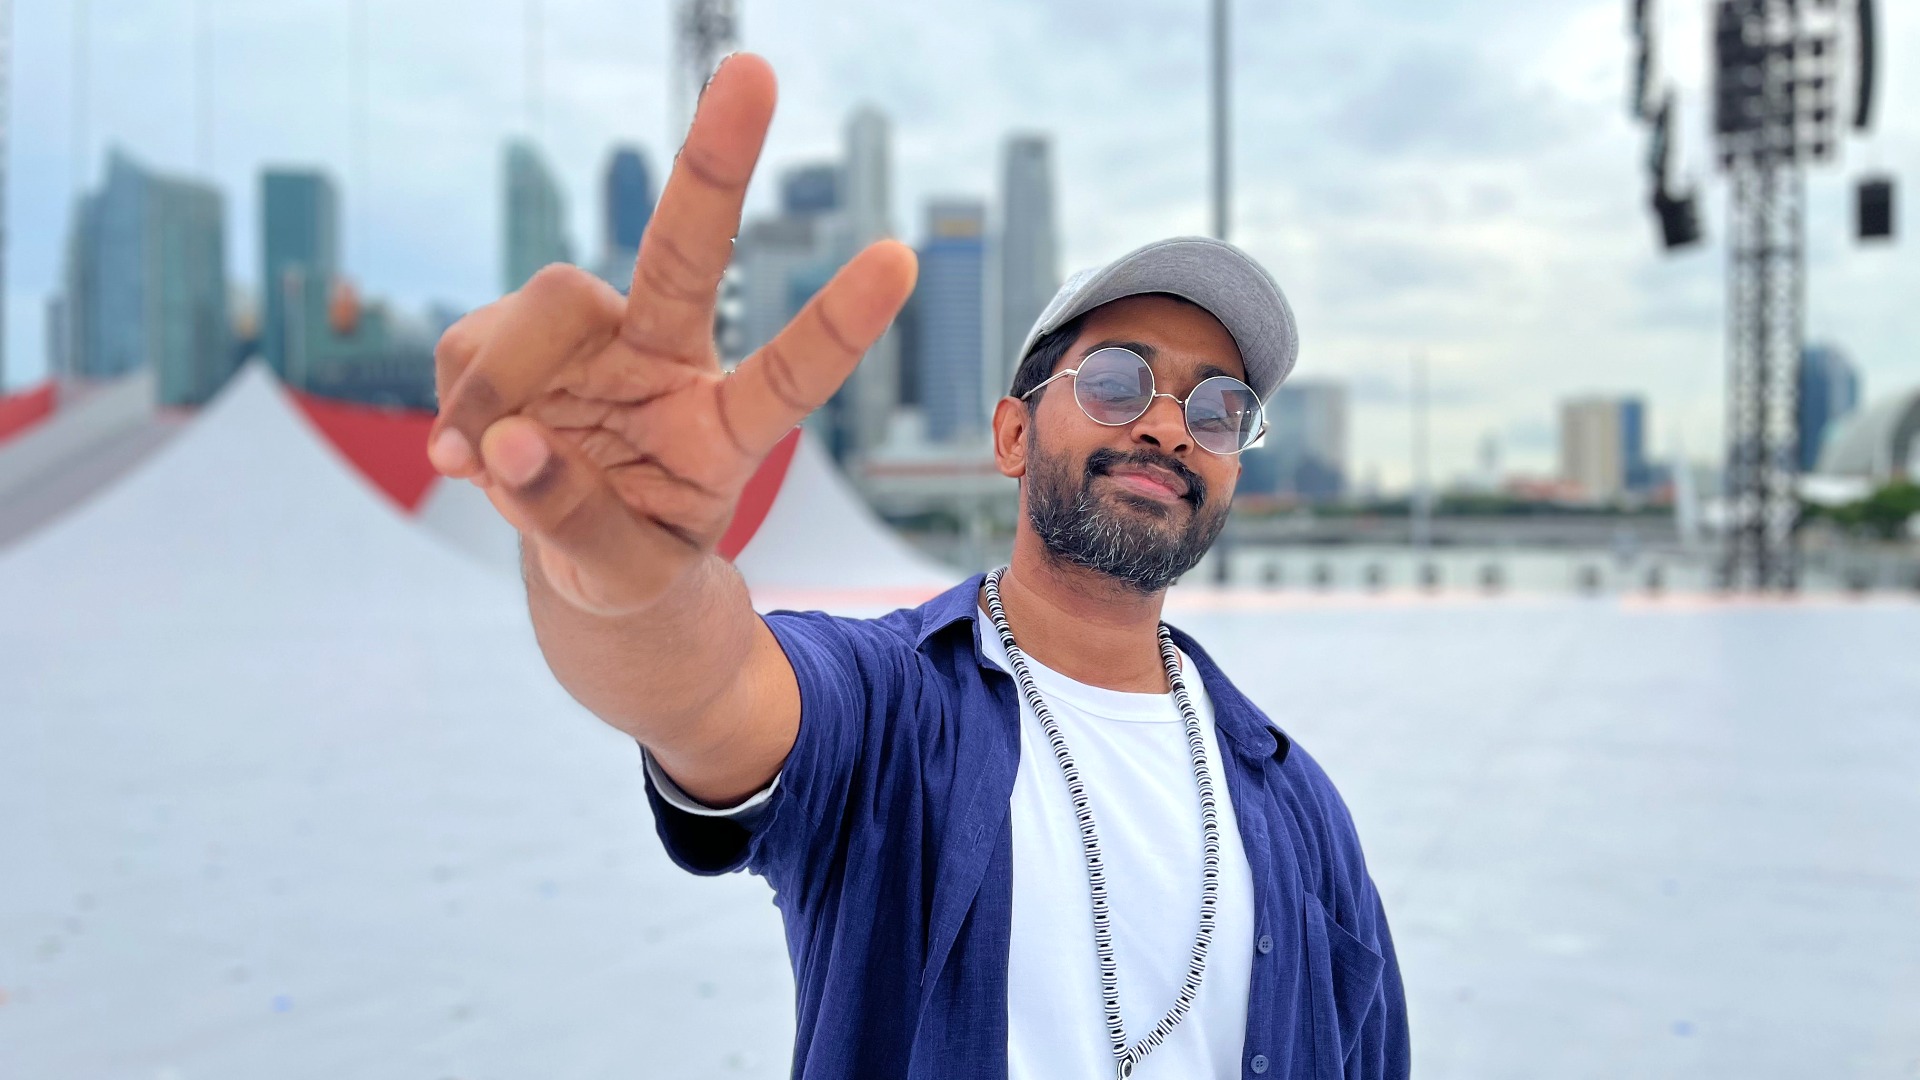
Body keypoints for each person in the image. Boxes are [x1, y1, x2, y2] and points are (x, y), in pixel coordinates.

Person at [427, 52, 1409, 1080]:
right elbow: (704, 690)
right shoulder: (892, 709)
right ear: (1013, 435)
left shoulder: (1302, 810)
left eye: (1221, 408)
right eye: (1119, 380)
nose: (1170, 424)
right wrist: (633, 581)